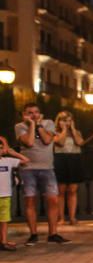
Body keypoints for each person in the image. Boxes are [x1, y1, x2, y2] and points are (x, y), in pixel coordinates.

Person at [15, 103, 68, 245]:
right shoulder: (19, 126)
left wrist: (38, 125)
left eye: (36, 112)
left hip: (47, 168)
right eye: (30, 112)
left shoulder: (48, 123)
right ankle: (33, 234)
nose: (34, 115)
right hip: (28, 169)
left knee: (53, 200)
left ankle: (53, 233)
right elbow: (30, 142)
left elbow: (46, 140)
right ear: (24, 114)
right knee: (30, 201)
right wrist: (32, 125)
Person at [53, 111, 93, 226]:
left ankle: (72, 217)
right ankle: (61, 218)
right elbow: (60, 143)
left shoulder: (77, 132)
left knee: (72, 190)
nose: (66, 122)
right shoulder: (54, 132)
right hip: (61, 159)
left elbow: (80, 142)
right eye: (63, 120)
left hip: (74, 159)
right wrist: (64, 130)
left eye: (69, 120)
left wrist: (73, 129)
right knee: (60, 190)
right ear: (59, 121)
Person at [0, 136, 30, 251]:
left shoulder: (8, 161)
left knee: (4, 219)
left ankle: (3, 242)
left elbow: (26, 161)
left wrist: (12, 152)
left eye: (1, 148)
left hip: (5, 195)